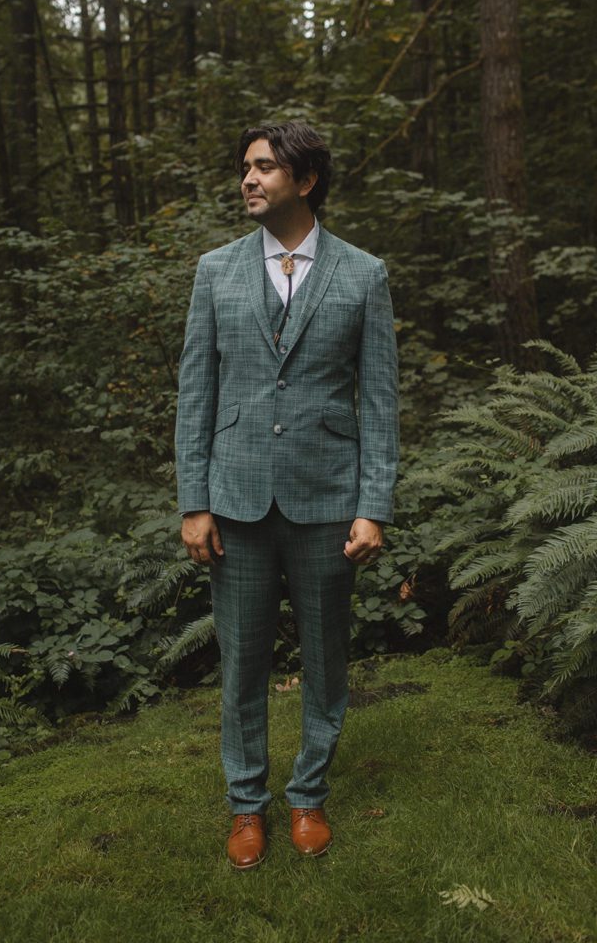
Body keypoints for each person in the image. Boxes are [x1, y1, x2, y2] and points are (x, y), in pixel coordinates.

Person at [175, 120, 398, 869]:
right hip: (233, 500)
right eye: (244, 166)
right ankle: (246, 806)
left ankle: (307, 795)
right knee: (240, 663)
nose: (248, 179)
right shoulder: (214, 271)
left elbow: (379, 403)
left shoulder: (362, 274)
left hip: (327, 499)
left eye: (264, 168)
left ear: (304, 181)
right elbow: (195, 395)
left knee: (326, 659)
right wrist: (192, 500)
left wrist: (373, 506)